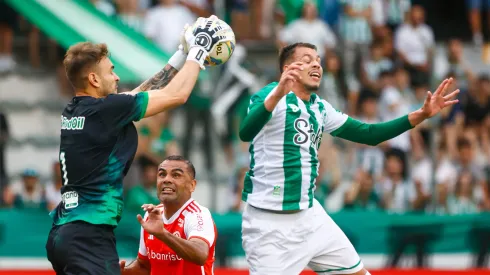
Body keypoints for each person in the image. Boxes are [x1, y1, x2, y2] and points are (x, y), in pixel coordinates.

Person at [238, 42, 459, 275]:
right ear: (287, 68)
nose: (316, 64)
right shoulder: (268, 96)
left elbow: (369, 134)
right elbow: (245, 132)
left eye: (318, 60)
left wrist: (420, 115)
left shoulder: (320, 108)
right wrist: (278, 93)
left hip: (310, 216)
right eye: (306, 59)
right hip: (269, 225)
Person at [45, 15, 231, 274]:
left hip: (64, 232)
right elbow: (177, 95)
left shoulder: (75, 110)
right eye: (111, 71)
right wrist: (199, 52)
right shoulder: (106, 110)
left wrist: (180, 55)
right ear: (94, 80)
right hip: (89, 235)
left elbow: (141, 94)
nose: (117, 76)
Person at [120, 155, 216, 275]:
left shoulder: (198, 214)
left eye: (176, 175)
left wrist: (163, 234)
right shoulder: (151, 215)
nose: (167, 179)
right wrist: (123, 271)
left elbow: (200, 255)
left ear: (192, 185)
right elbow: (144, 266)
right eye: (162, 174)